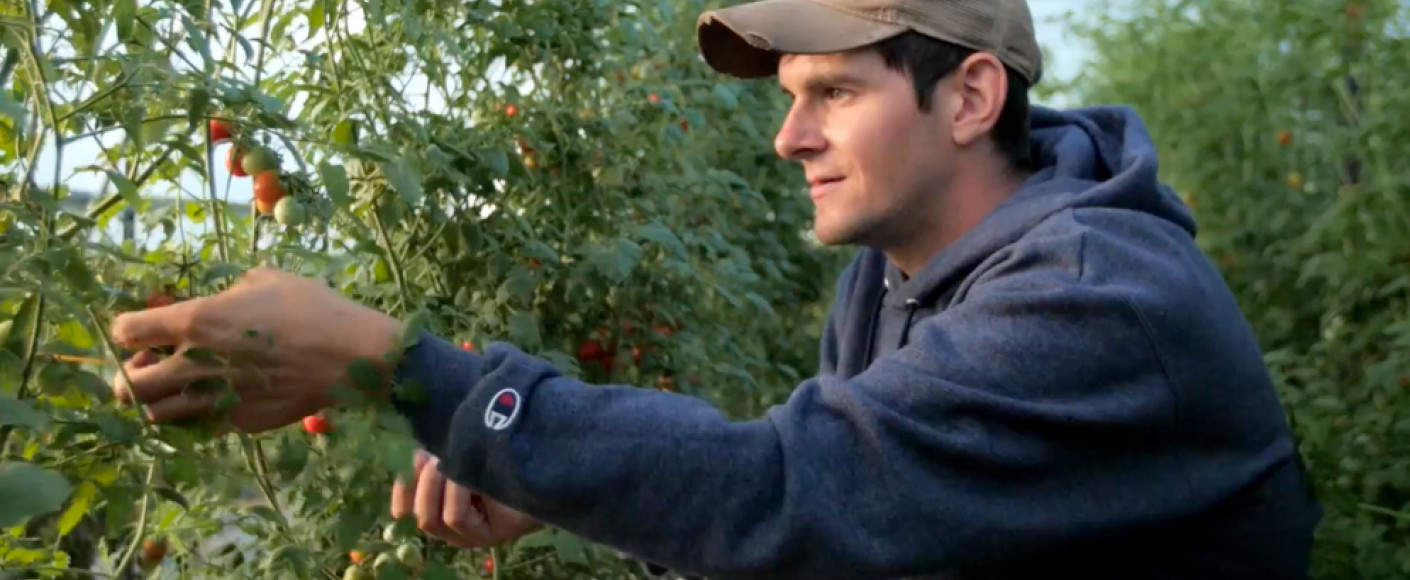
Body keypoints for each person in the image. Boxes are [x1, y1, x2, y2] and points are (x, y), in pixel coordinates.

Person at [108, 0, 1324, 578]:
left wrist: (404, 368)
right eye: (788, 93)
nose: (788, 136)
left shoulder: (1098, 299)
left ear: (968, 99)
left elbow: (788, 492)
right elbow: (847, 514)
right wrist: (553, 479)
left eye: (834, 92)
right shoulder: (899, 271)